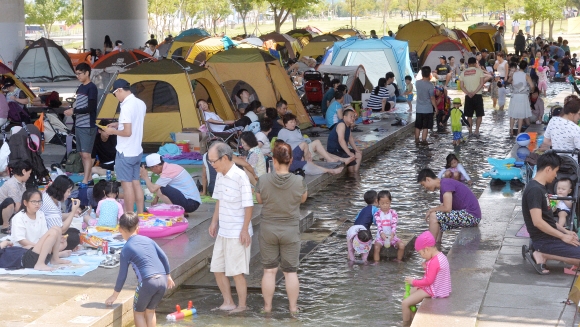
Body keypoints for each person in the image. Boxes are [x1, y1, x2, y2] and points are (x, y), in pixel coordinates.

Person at [255, 141, 308, 314]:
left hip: (268, 229)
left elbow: (260, 200)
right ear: (291, 160)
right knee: (290, 272)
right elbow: (302, 199)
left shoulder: (263, 180)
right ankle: (293, 308)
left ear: (274, 160)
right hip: (290, 231)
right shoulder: (299, 181)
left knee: (269, 271)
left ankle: (267, 308)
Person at [207, 142, 254, 313]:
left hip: (237, 231)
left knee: (236, 271)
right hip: (224, 230)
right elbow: (219, 199)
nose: (212, 165)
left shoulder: (240, 176)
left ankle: (242, 305)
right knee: (217, 268)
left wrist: (244, 230)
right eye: (210, 161)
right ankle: (228, 302)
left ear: (225, 158)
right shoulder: (220, 174)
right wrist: (214, 222)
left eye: (214, 161)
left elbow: (249, 205)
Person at [105, 213, 175, 326]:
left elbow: (122, 275)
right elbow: (163, 257)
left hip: (148, 282)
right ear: (138, 228)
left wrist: (114, 296)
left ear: (120, 229)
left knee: (138, 312)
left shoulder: (126, 249)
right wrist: (168, 275)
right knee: (150, 310)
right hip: (162, 280)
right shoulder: (148, 240)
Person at [521, 152, 580, 275]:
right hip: (544, 241)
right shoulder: (535, 190)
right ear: (548, 169)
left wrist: (566, 232)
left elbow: (548, 220)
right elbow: (537, 222)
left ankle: (545, 253)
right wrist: (563, 237)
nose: (556, 175)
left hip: (551, 238)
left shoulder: (541, 188)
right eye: (555, 171)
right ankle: (542, 253)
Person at [105, 79, 146, 214]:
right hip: (137, 150)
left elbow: (127, 132)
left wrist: (112, 131)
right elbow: (134, 122)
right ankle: (140, 214)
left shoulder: (126, 106)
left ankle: (129, 216)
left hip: (125, 151)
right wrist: (118, 124)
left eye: (115, 94)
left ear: (120, 90)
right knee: (136, 183)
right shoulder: (140, 103)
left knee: (126, 186)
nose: (116, 97)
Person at [417, 168, 481, 242]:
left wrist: (431, 210)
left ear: (428, 179)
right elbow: (443, 209)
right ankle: (437, 245)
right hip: (469, 216)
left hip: (472, 216)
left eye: (423, 185)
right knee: (437, 220)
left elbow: (447, 208)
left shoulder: (445, 183)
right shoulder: (443, 188)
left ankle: (430, 246)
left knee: (434, 216)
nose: (425, 188)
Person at [402, 231, 451, 326]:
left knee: (405, 303)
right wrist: (426, 267)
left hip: (433, 289)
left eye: (421, 253)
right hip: (438, 286)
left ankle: (406, 324)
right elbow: (437, 273)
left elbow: (428, 281)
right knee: (406, 294)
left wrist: (414, 282)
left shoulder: (434, 262)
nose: (422, 256)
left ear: (427, 249)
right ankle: (413, 316)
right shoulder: (440, 256)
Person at [63, 63, 98, 187]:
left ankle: (86, 180)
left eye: (79, 73)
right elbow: (79, 105)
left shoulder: (91, 88)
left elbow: (91, 108)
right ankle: (88, 178)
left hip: (88, 125)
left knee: (86, 154)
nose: (77, 76)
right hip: (79, 124)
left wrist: (74, 111)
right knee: (82, 154)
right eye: (76, 73)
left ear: (87, 73)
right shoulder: (80, 88)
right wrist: (72, 110)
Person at [278, 113, 353, 166]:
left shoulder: (297, 129)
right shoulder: (282, 132)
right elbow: (280, 147)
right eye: (291, 122)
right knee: (317, 142)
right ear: (285, 124)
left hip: (306, 149)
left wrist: (307, 141)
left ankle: (343, 160)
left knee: (324, 153)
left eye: (294, 122)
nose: (293, 124)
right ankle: (330, 159)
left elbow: (302, 139)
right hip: (296, 152)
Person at [538, 95, 580, 160]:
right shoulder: (576, 129)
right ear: (571, 113)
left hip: (556, 163)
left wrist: (558, 144)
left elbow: (546, 141)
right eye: (579, 114)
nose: (579, 117)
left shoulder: (553, 120)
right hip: (572, 165)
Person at [372, 190, 405, 262]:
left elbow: (394, 224)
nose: (385, 205)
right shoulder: (377, 214)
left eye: (387, 203)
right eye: (382, 203)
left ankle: (398, 260)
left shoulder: (393, 213)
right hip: (381, 237)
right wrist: (381, 234)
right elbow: (379, 225)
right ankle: (376, 264)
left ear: (390, 202)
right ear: (378, 202)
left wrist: (392, 234)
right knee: (376, 247)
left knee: (402, 246)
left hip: (392, 236)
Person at [0, 160, 32, 233]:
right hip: (2, 213)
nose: (29, 176)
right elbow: (17, 207)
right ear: (24, 171)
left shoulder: (22, 182)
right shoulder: (12, 184)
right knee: (9, 201)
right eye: (29, 173)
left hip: (11, 213)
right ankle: (5, 226)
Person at [460, 57, 488, 138]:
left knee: (469, 115)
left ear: (468, 64)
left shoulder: (463, 73)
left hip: (468, 96)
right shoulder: (479, 71)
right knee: (479, 114)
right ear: (475, 63)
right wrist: (474, 92)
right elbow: (482, 83)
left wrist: (468, 93)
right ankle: (477, 130)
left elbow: (462, 86)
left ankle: (470, 131)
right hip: (478, 95)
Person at [508, 61, 535, 137]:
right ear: (526, 67)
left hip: (515, 96)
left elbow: (509, 81)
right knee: (521, 115)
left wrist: (513, 82)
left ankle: (511, 131)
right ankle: (519, 132)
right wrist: (530, 91)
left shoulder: (514, 74)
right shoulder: (526, 76)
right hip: (523, 96)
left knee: (512, 114)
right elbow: (532, 86)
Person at [415, 66, 437, 145]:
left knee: (418, 126)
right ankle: (424, 140)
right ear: (429, 74)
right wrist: (436, 108)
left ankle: (417, 140)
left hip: (419, 109)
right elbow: (432, 98)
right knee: (425, 127)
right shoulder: (430, 85)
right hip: (428, 109)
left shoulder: (417, 83)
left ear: (422, 74)